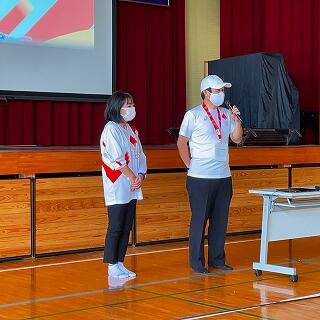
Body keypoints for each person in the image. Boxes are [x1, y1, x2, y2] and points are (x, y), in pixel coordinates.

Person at [177, 75, 243, 273]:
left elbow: (237, 139)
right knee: (199, 219)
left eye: (223, 90)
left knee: (220, 220)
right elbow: (182, 142)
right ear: (206, 93)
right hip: (200, 178)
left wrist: (237, 121)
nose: (221, 94)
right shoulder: (193, 115)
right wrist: (190, 166)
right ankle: (197, 262)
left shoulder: (225, 114)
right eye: (217, 91)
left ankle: (217, 259)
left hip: (223, 176)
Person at [100, 91, 147, 279]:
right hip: (118, 184)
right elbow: (116, 159)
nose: (131, 108)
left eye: (132, 104)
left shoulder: (131, 129)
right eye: (128, 105)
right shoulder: (111, 129)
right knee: (116, 225)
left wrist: (141, 176)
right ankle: (112, 264)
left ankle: (120, 261)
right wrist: (132, 177)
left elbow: (141, 155)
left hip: (133, 185)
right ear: (117, 107)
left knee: (127, 225)